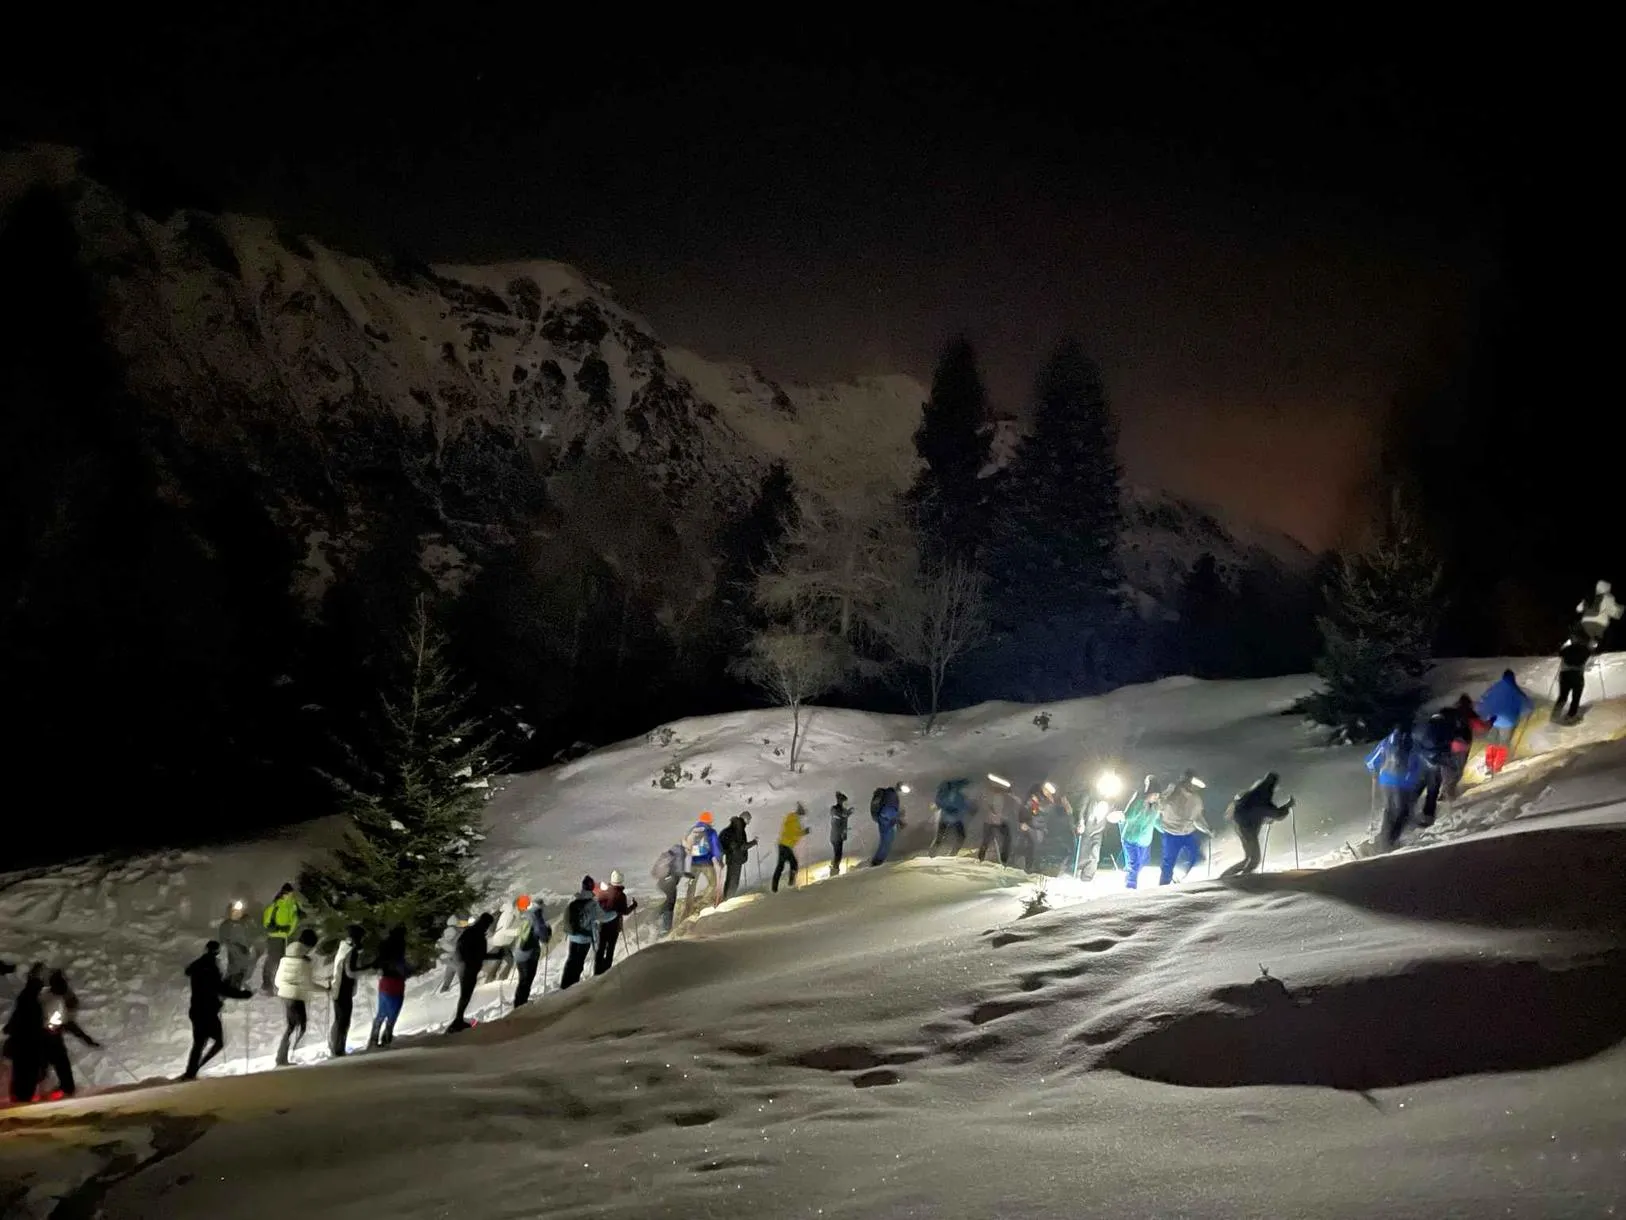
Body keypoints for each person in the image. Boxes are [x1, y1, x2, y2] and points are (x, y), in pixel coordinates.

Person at [181, 940, 252, 1080]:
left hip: (196, 1009)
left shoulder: (197, 966)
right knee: (219, 1041)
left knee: (199, 1044)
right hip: (208, 1011)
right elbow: (221, 988)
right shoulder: (211, 968)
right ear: (217, 952)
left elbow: (215, 986)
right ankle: (196, 1068)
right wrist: (243, 995)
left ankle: (191, 1072)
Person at [1219, 773, 1295, 878]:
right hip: (1248, 831)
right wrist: (1288, 805)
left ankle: (1225, 877)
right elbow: (1278, 814)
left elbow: (1252, 812)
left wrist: (1264, 819)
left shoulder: (1251, 794)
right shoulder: (1263, 798)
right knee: (1255, 859)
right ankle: (1243, 879)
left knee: (1248, 858)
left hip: (1240, 827)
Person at [39, 969, 98, 1097]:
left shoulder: (66, 998)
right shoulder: (46, 997)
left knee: (59, 1061)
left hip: (52, 1035)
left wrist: (85, 1038)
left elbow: (68, 1022)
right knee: (46, 1062)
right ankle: (41, 1088)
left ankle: (66, 1088)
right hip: (41, 1035)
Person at [1366, 719, 1424, 851]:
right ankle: (1391, 841)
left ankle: (1384, 841)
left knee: (1389, 810)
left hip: (1385, 780)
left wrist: (1374, 772)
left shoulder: (1386, 742)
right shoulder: (1414, 742)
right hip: (1404, 782)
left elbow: (1371, 761)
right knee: (1403, 812)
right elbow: (1419, 762)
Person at [273, 928, 323, 1066]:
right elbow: (309, 985)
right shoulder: (303, 962)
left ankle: (284, 1055)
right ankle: (283, 1056)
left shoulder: (285, 958)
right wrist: (325, 989)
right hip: (296, 996)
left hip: (285, 994)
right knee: (297, 1026)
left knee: (294, 1025)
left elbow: (277, 981)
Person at [447, 913, 501, 1032]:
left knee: (465, 995)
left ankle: (458, 1020)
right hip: (468, 968)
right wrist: (496, 955)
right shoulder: (476, 935)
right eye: (487, 924)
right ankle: (457, 1022)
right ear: (484, 923)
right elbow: (480, 955)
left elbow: (467, 951)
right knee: (465, 995)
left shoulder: (470, 932)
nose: (487, 927)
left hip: (465, 966)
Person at [1476, 669, 1534, 776]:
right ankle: (1497, 766)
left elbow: (1483, 699)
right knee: (1503, 743)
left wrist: (1483, 712)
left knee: (1492, 741)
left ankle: (1489, 765)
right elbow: (1527, 704)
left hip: (1494, 719)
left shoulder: (1495, 687)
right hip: (1508, 721)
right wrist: (1529, 709)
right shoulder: (1516, 690)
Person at [1157, 770, 1211, 884]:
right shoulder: (1173, 792)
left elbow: (1198, 818)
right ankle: (1163, 887)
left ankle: (1178, 875)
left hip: (1188, 834)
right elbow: (1159, 806)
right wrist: (1166, 793)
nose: (1195, 787)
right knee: (1168, 862)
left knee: (1196, 855)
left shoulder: (1196, 800)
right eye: (1193, 783)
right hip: (1171, 834)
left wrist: (1208, 829)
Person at [3, 964, 47, 1103]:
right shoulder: (34, 1005)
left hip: (22, 1045)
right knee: (28, 1071)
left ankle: (19, 1095)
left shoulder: (24, 1000)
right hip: (31, 1045)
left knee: (21, 1071)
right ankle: (23, 1096)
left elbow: (15, 1020)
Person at [562, 877, 609, 990]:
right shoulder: (592, 904)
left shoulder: (575, 901)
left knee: (571, 960)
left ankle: (564, 985)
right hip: (585, 938)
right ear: (592, 887)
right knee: (578, 963)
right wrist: (616, 912)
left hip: (573, 936)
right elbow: (604, 917)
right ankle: (572, 987)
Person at [368, 925, 410, 1049]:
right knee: (393, 1014)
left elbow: (377, 963)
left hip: (385, 983)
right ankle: (387, 1038)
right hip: (397, 983)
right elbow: (401, 966)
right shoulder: (400, 947)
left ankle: (373, 1041)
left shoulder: (384, 946)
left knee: (381, 1012)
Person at [1116, 775, 1160, 889]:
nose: (1156, 797)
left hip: (1145, 841)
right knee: (1134, 864)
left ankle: (1129, 876)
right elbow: (1128, 816)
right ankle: (1131, 886)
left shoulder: (1155, 808)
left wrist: (1167, 831)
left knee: (1142, 864)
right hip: (1131, 839)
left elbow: (1156, 822)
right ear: (1148, 792)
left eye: (1157, 794)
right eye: (1154, 794)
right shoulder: (1138, 801)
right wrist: (1140, 806)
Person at [328, 924, 366, 1057]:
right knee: (343, 1020)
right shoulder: (351, 951)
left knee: (339, 1019)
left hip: (337, 987)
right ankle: (338, 1049)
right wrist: (364, 971)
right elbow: (350, 972)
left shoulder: (343, 947)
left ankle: (334, 1046)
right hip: (344, 989)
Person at [260, 883, 301, 995]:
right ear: (284, 894)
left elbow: (294, 920)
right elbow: (266, 922)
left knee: (281, 962)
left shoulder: (292, 905)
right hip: (274, 937)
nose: (292, 896)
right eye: (290, 894)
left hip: (285, 938)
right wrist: (275, 929)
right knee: (272, 960)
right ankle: (267, 984)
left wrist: (288, 931)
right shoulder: (275, 905)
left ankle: (277, 983)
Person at [511, 896, 551, 1006]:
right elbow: (542, 935)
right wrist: (547, 935)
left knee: (522, 980)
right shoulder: (537, 916)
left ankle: (519, 1003)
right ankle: (520, 1005)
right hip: (529, 954)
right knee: (526, 981)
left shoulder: (525, 915)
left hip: (519, 952)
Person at [594, 871, 637, 975]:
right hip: (614, 927)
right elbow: (625, 911)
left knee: (600, 948)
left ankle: (597, 972)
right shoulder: (621, 896)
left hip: (602, 925)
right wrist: (633, 906)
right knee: (610, 949)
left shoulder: (603, 893)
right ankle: (606, 972)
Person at [682, 812, 725, 915]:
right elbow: (715, 847)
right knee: (713, 883)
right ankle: (702, 903)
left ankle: (688, 908)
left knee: (692, 887)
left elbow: (687, 846)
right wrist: (719, 860)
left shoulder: (693, 830)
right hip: (706, 863)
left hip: (693, 863)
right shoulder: (710, 832)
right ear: (709, 821)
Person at [216, 900, 258, 991]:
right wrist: (228, 948)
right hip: (232, 952)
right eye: (235, 912)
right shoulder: (226, 925)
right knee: (233, 969)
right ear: (230, 913)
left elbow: (251, 934)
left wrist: (250, 945)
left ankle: (239, 983)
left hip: (245, 950)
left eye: (239, 912)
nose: (237, 914)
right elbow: (222, 939)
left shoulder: (245, 923)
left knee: (246, 968)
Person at [930, 778, 973, 857]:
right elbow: (939, 803)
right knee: (943, 836)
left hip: (952, 818)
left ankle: (947, 853)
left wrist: (969, 809)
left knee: (944, 836)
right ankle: (935, 853)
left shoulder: (955, 796)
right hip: (950, 818)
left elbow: (964, 805)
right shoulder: (952, 795)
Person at [719, 812, 756, 899]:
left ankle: (726, 898)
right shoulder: (739, 829)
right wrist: (754, 842)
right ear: (746, 819)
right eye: (749, 820)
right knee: (734, 882)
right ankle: (729, 900)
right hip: (736, 859)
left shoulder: (733, 827)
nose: (749, 822)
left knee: (729, 880)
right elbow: (741, 847)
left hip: (731, 858)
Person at [773, 804, 810, 891]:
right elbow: (796, 833)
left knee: (780, 866)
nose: (802, 816)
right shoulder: (795, 820)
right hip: (786, 845)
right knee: (794, 864)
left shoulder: (790, 816)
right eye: (802, 814)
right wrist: (804, 832)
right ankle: (791, 884)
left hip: (782, 844)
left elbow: (793, 831)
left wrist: (802, 832)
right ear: (799, 813)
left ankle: (774, 888)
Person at [1555, 634, 1591, 721]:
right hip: (1577, 674)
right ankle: (1571, 715)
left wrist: (1565, 645)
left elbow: (1560, 653)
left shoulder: (1567, 649)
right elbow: (1589, 653)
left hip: (1565, 674)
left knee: (1563, 696)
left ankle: (1555, 714)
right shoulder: (1585, 649)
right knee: (1576, 696)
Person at [484, 899, 521, 984]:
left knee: (499, 960)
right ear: (516, 906)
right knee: (510, 961)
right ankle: (501, 979)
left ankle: (490, 979)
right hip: (501, 941)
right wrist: (518, 932)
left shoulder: (512, 913)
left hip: (502, 941)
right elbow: (505, 930)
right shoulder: (508, 915)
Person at [651, 843, 685, 935]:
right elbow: (679, 870)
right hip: (670, 883)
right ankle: (665, 929)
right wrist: (688, 875)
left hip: (662, 882)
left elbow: (654, 872)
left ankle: (655, 916)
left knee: (668, 902)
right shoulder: (680, 852)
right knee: (670, 904)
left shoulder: (671, 852)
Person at [1576, 580, 1621, 649]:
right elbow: (1613, 611)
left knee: (1589, 635)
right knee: (1605, 633)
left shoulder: (1591, 597)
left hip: (1585, 622)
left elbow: (1578, 609)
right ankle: (1595, 647)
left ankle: (1585, 645)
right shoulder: (1608, 597)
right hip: (1599, 622)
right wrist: (1617, 613)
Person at [977, 785, 1014, 864]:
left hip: (998, 822)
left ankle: (1004, 858)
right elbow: (988, 807)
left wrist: (1002, 817)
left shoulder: (1004, 798)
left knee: (1006, 838)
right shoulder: (993, 797)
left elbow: (1005, 811)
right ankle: (981, 857)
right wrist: (994, 814)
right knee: (986, 840)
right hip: (990, 822)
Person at [870, 785, 905, 866]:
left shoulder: (889, 794)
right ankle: (877, 861)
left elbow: (889, 810)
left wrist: (897, 819)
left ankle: (878, 860)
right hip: (886, 821)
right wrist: (898, 818)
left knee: (886, 841)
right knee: (886, 841)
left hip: (884, 820)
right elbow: (889, 810)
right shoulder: (892, 795)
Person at [829, 792, 854, 875]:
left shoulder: (843, 810)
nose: (845, 804)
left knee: (838, 853)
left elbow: (843, 819)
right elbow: (838, 816)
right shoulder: (835, 809)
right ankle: (835, 870)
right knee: (838, 854)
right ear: (840, 801)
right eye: (844, 801)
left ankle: (834, 866)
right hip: (835, 836)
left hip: (839, 836)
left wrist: (845, 831)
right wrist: (847, 814)